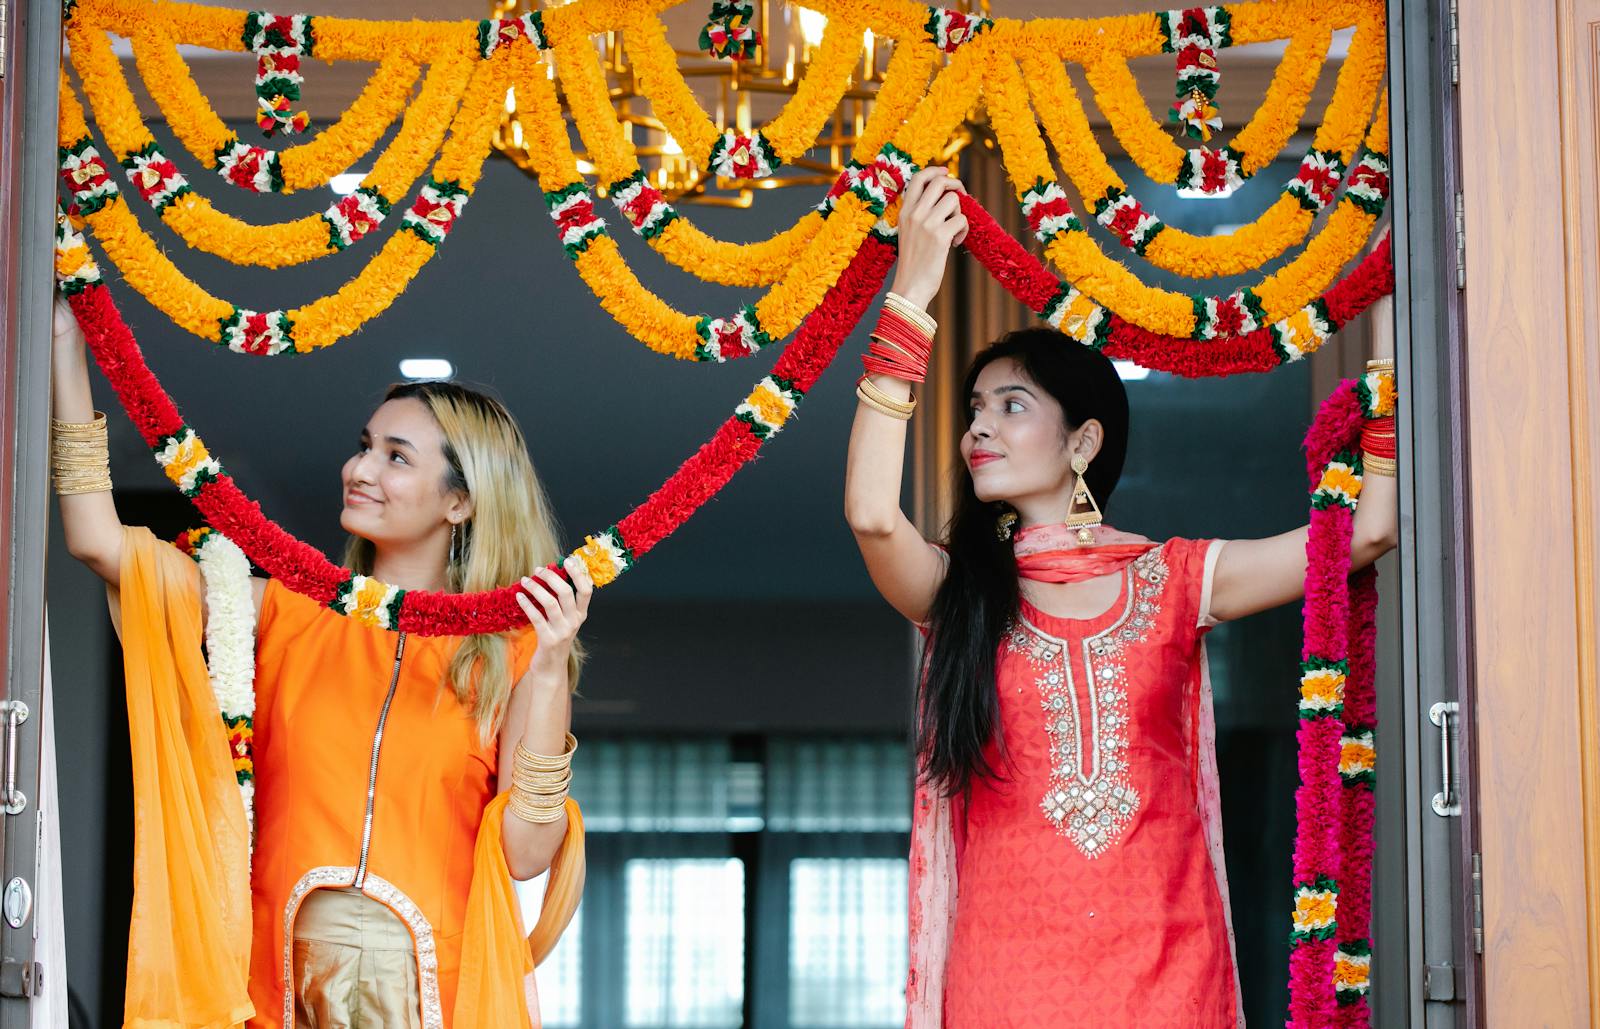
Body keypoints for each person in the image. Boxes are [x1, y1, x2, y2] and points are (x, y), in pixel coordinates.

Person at [843, 167, 1399, 1026]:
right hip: (1005, 977)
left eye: (1012, 405)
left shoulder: (1172, 579)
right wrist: (913, 290)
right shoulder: (960, 594)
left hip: (1164, 966)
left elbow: (1362, 533)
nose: (978, 427)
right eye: (974, 408)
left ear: (1083, 440)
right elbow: (874, 517)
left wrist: (1398, 317)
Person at [50, 294, 587, 1027]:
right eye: (365, 444)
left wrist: (552, 667)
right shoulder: (277, 607)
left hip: (435, 996)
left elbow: (526, 853)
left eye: (395, 457)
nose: (359, 468)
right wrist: (63, 348)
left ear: (460, 502)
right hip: (276, 988)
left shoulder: (509, 649)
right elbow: (95, 540)